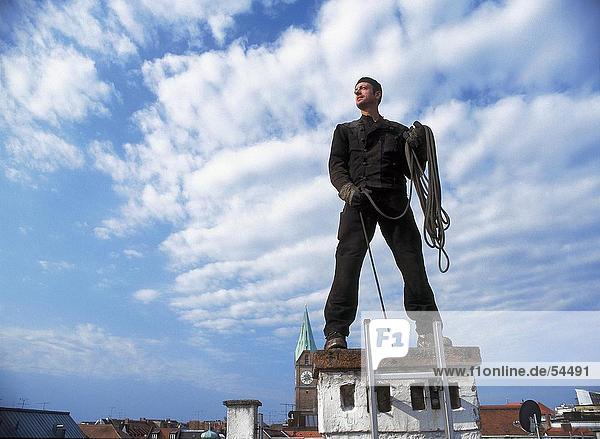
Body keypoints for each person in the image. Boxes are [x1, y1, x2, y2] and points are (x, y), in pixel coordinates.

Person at [324, 77, 441, 350]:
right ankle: (336, 332)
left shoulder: (398, 132)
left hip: (395, 203)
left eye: (363, 88)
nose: (357, 91)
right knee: (347, 266)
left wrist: (419, 146)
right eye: (356, 89)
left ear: (377, 94)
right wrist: (346, 189)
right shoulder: (345, 130)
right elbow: (336, 165)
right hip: (358, 200)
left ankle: (428, 332)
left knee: (412, 265)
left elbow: (413, 171)